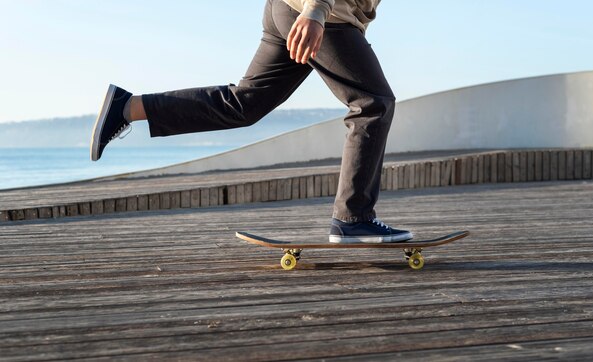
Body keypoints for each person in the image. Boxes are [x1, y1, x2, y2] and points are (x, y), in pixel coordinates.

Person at [90, 0, 413, 244]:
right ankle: (353, 218)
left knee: (245, 104)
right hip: (322, 15)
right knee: (373, 104)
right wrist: (316, 10)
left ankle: (129, 107)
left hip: (287, 8)